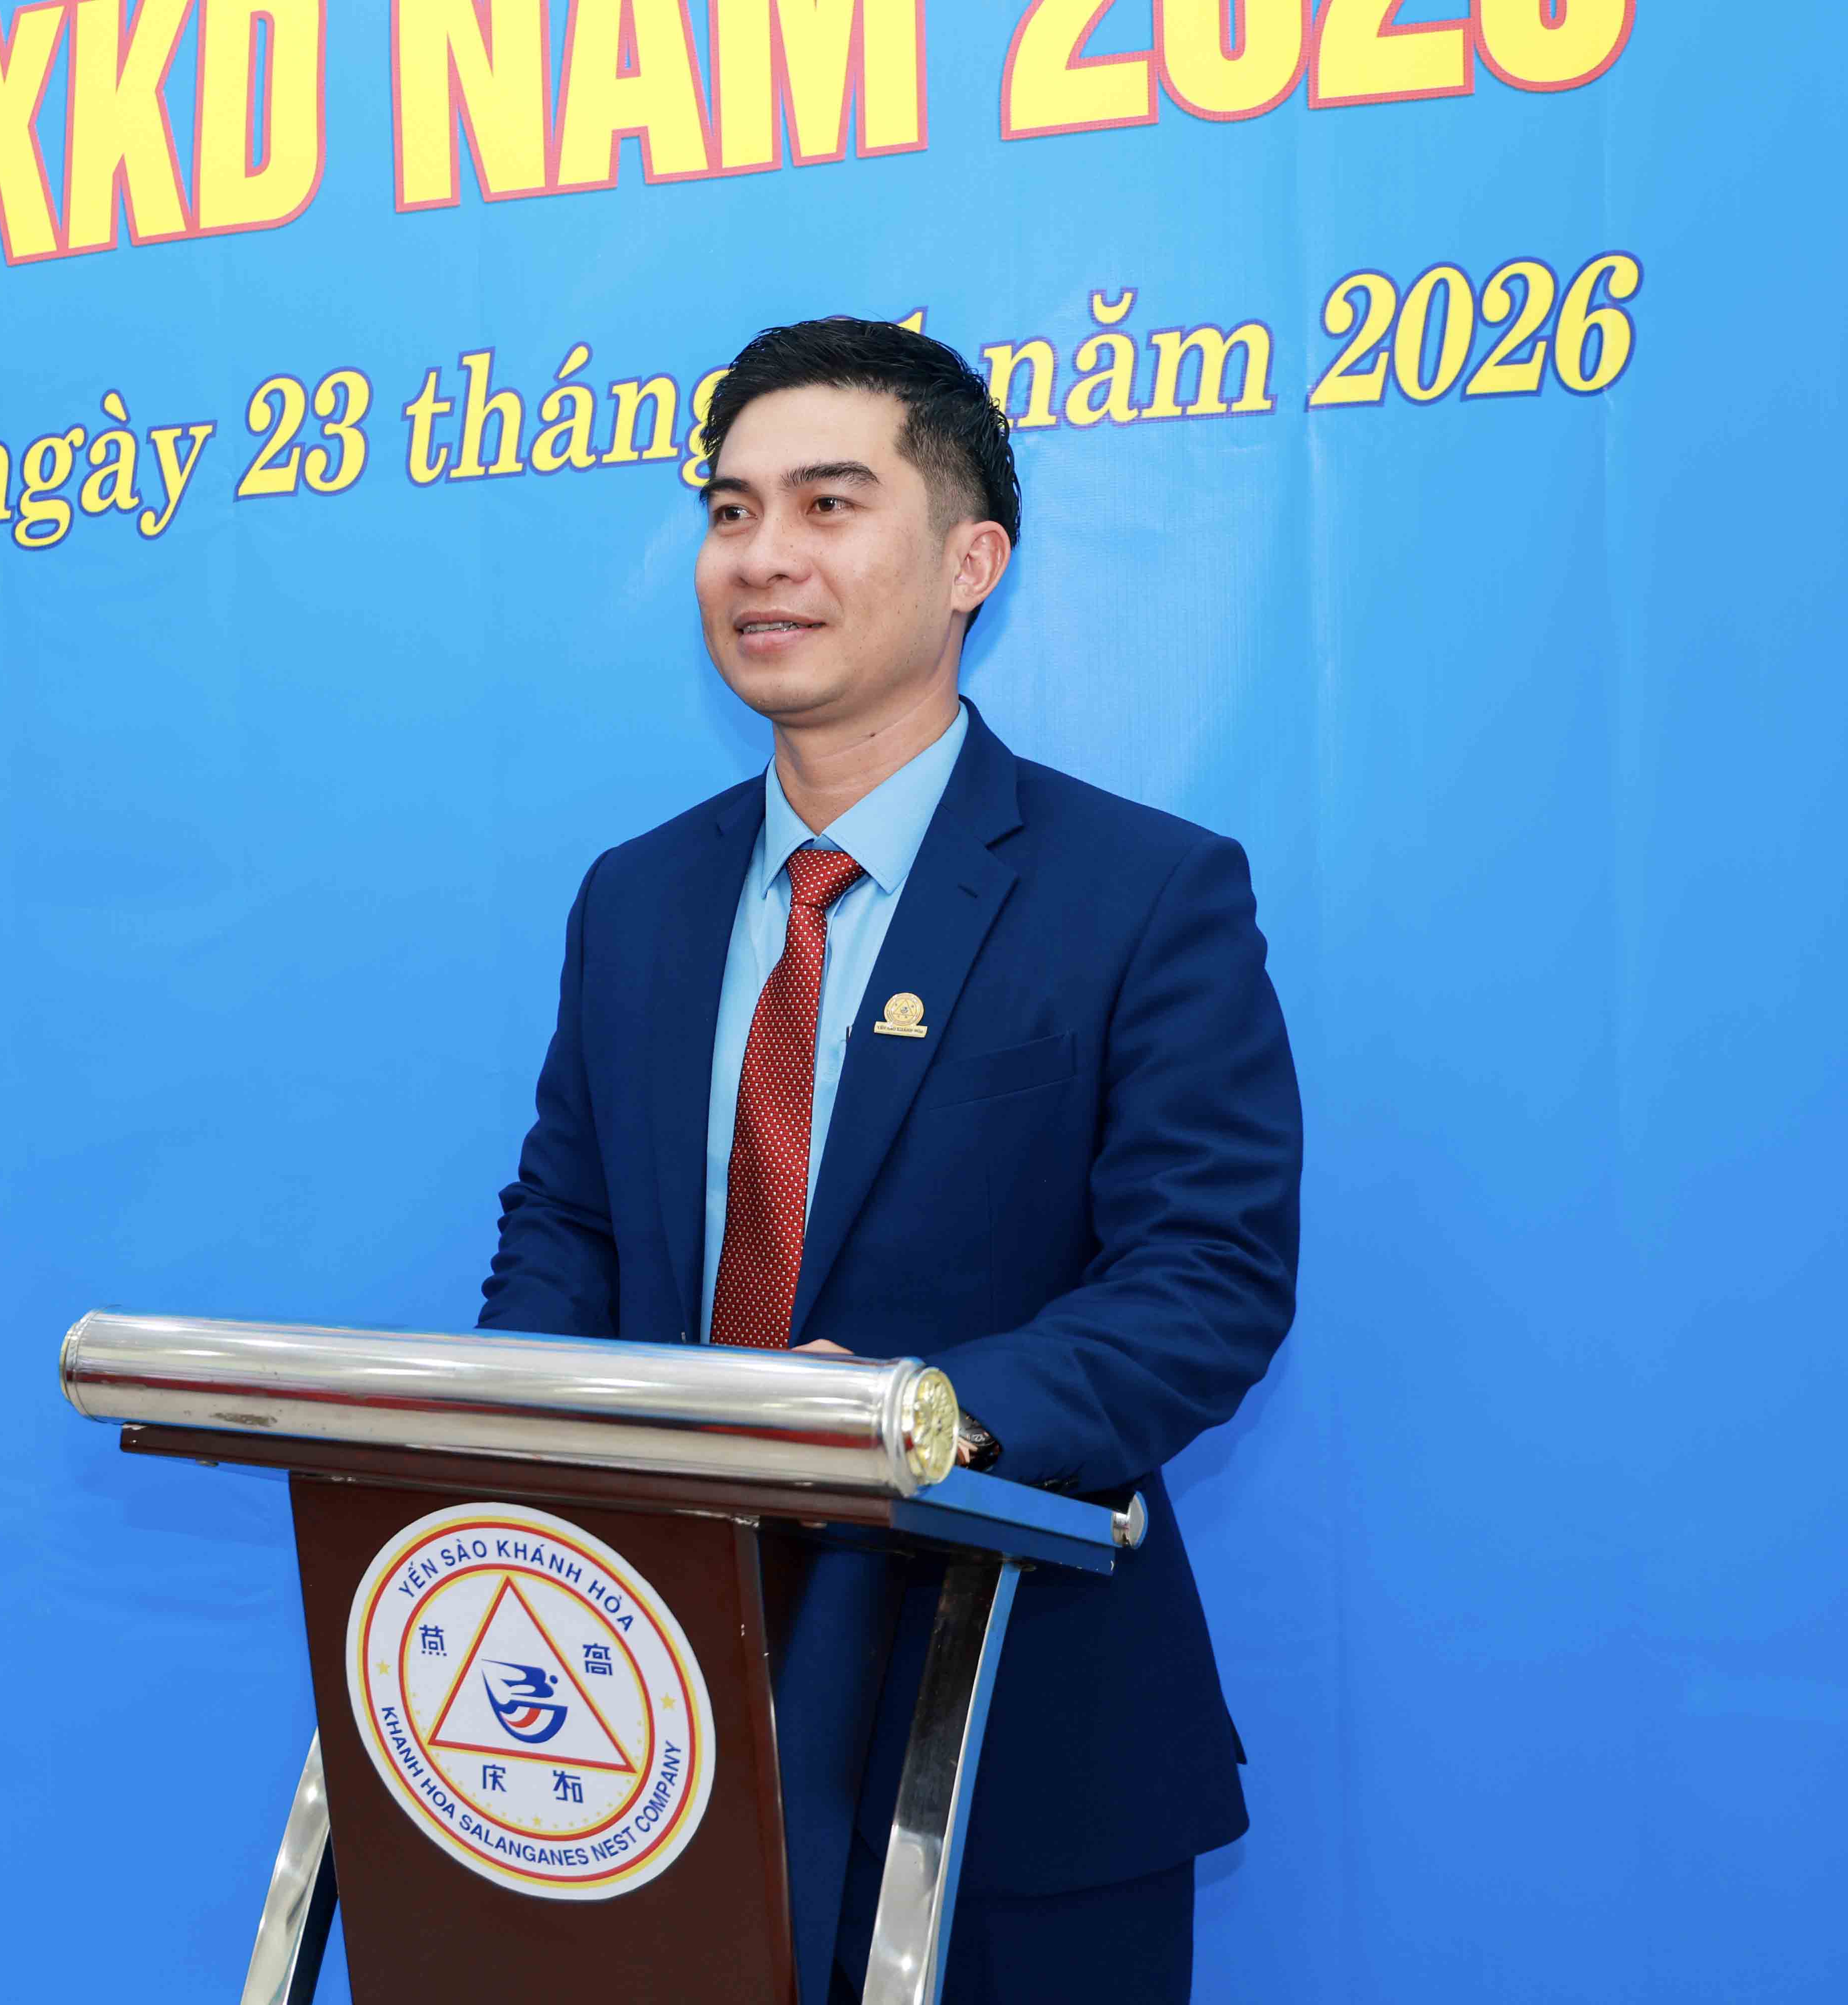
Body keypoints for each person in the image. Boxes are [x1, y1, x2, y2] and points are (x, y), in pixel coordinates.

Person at [477, 316, 1302, 2005]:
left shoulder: (1142, 893)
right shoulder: (636, 899)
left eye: (829, 504)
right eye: (730, 511)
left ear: (969, 565)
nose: (761, 556)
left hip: (1007, 1727)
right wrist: (514, 1450)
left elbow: (1205, 1280)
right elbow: (567, 1227)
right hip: (641, 1718)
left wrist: (912, 1416)